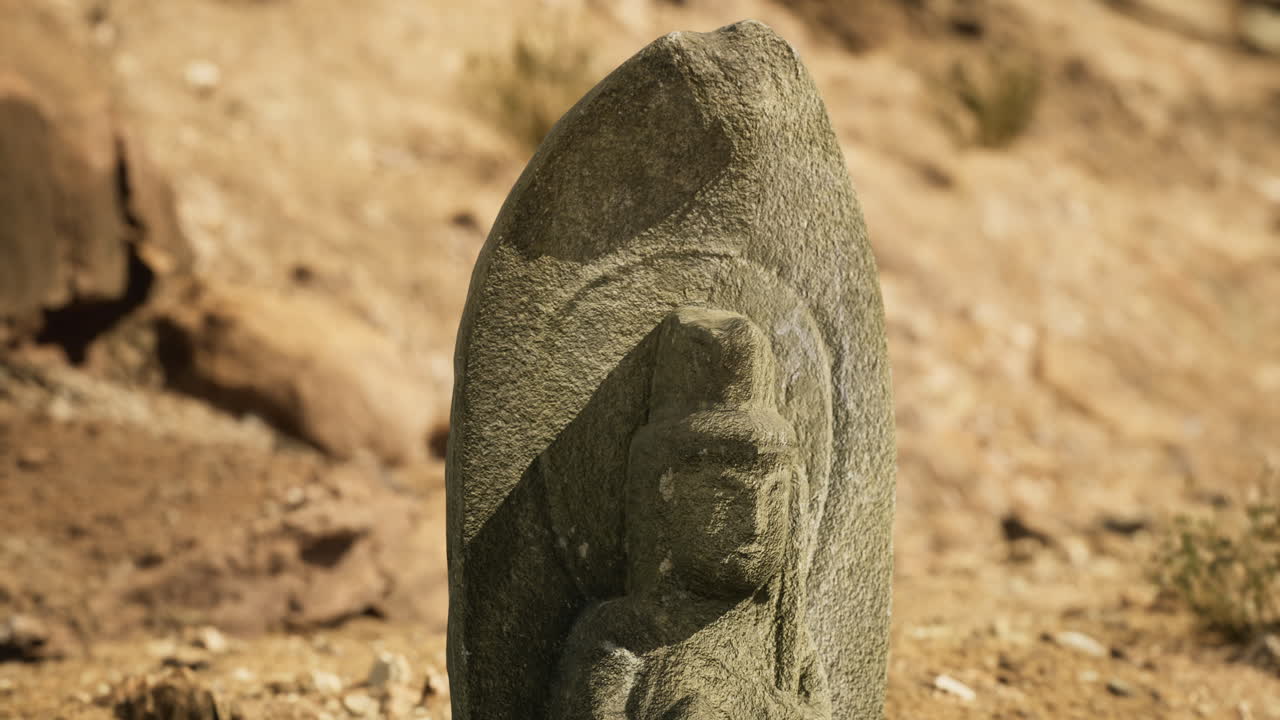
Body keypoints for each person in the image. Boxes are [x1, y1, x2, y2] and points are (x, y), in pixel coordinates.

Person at [548, 307, 830, 720]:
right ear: (663, 500)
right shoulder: (623, 637)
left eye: (773, 497)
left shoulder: (788, 644)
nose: (754, 523)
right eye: (725, 495)